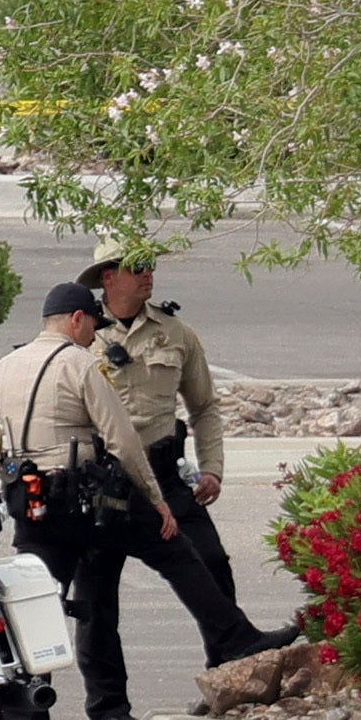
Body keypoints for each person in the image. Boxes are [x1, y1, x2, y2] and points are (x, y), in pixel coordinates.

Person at [0, 276, 179, 720]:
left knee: (32, 609)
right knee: (96, 607)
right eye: (92, 324)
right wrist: (155, 499)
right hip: (80, 507)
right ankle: (109, 712)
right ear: (76, 320)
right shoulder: (81, 364)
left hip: (26, 502)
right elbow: (122, 439)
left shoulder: (1, 367)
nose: (96, 334)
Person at [88, 259, 291, 666]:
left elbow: (204, 406)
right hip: (107, 482)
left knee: (211, 562)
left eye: (150, 267)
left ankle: (228, 668)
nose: (148, 275)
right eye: (136, 269)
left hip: (164, 473)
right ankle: (108, 707)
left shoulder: (174, 332)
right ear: (108, 278)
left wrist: (212, 466)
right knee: (96, 596)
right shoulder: (82, 335)